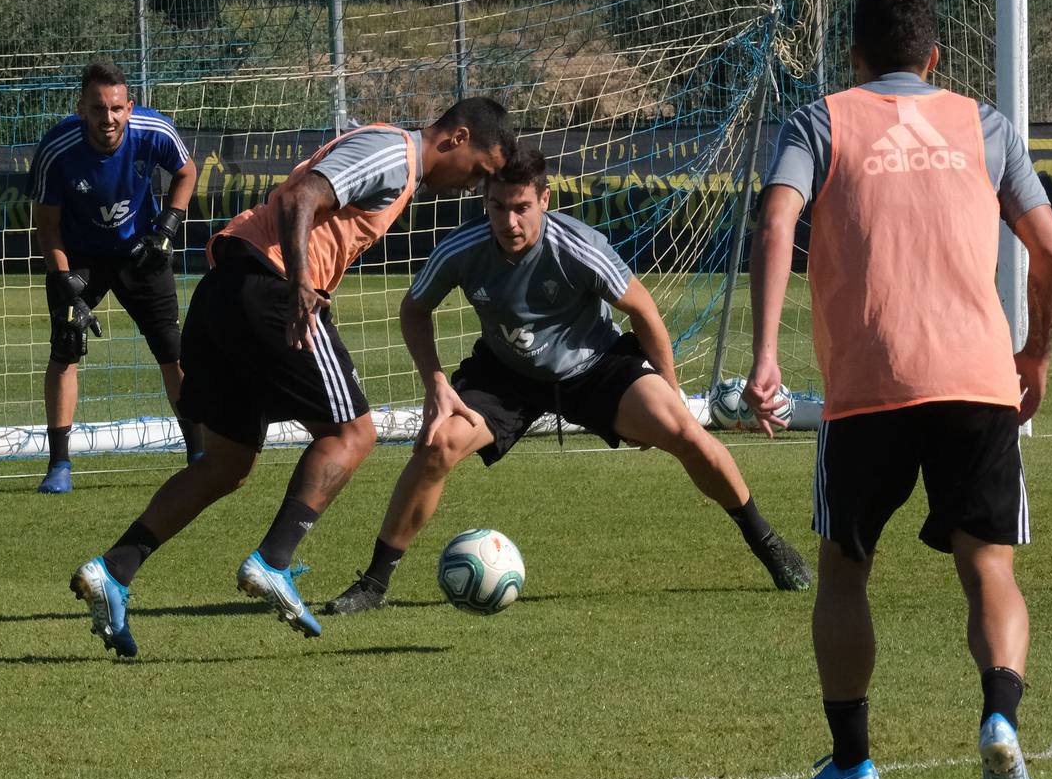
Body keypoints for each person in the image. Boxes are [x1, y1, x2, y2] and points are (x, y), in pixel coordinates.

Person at [746, 0, 1052, 779]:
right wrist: (1032, 352)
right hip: (976, 378)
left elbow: (777, 222)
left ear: (852, 58)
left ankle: (851, 764)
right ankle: (999, 717)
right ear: (933, 56)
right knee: (987, 566)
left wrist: (764, 356)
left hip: (869, 383)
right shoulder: (983, 124)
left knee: (845, 571)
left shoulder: (820, 119)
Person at [68, 98, 517, 657]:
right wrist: (303, 283)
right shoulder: (395, 153)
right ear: (457, 138)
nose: (473, 186)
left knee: (227, 463)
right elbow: (304, 196)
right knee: (354, 434)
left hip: (228, 290)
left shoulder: (397, 164)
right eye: (479, 171)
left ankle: (115, 568)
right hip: (272, 288)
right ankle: (273, 561)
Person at [321, 144, 813, 618]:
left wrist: (670, 388)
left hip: (595, 366)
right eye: (496, 207)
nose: (508, 222)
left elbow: (642, 310)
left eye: (521, 208)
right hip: (505, 374)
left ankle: (766, 542)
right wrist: (435, 384)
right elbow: (414, 309)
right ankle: (374, 583)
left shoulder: (577, 246)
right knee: (438, 443)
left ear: (544, 200)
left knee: (686, 433)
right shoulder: (463, 248)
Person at [30, 61, 201, 494]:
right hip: (81, 255)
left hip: (141, 251)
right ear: (81, 107)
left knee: (172, 350)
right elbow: (47, 225)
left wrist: (167, 227)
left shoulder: (155, 131)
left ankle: (198, 453)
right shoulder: (58, 149)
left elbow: (186, 171)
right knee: (66, 347)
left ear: (130, 107)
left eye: (117, 108)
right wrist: (64, 281)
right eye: (98, 108)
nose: (108, 117)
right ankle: (59, 465)